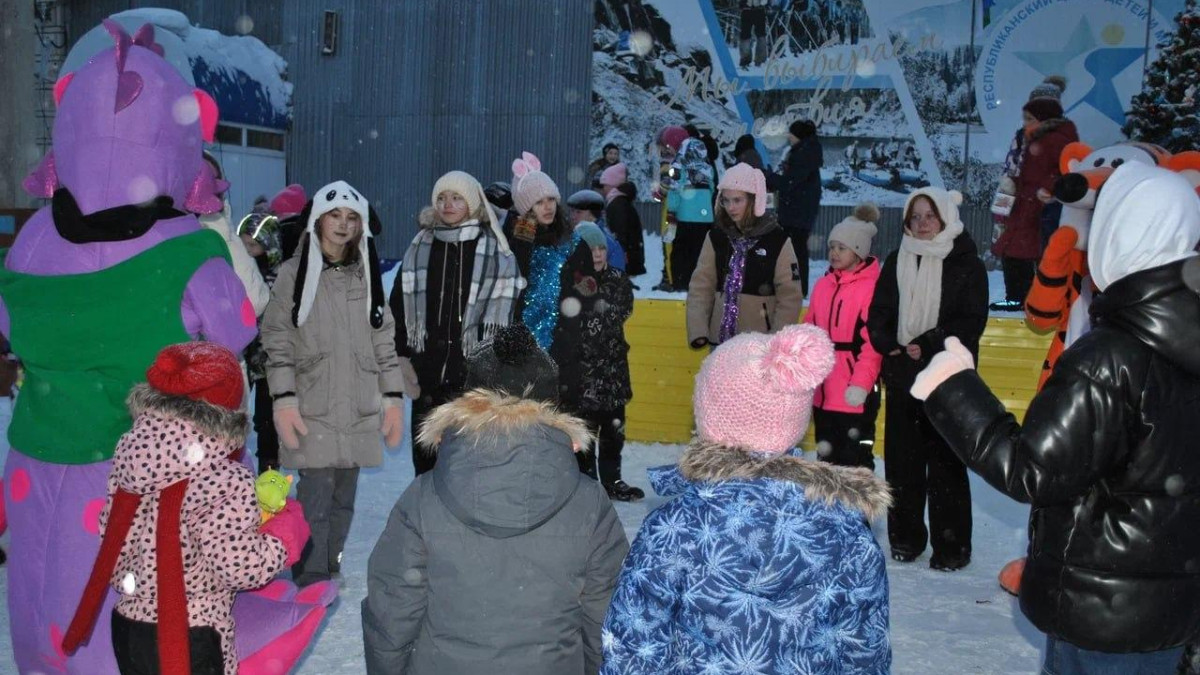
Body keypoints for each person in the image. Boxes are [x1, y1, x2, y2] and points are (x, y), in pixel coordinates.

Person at [911, 161, 1200, 674]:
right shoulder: (1182, 337)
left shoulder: (1110, 356)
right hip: (1172, 607)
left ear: (1118, 234)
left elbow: (1034, 471)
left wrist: (955, 389)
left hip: (1104, 609)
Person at [600, 324, 892, 674]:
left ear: (710, 418)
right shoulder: (847, 530)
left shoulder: (674, 528)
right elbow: (865, 654)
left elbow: (633, 651)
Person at [361, 324, 629, 675]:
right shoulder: (590, 504)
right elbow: (607, 622)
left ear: (468, 405)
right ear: (552, 410)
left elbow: (391, 615)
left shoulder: (422, 498)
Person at [62, 342, 311, 675]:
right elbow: (241, 567)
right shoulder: (223, 478)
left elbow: (114, 538)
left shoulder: (132, 457)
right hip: (191, 635)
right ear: (228, 413)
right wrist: (284, 534)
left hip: (129, 626)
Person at [262, 180, 407, 586]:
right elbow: (277, 339)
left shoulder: (367, 275)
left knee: (344, 498)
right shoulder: (294, 273)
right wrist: (284, 397)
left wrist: (392, 397)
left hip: (358, 404)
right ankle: (310, 575)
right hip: (313, 401)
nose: (343, 225)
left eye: (352, 218)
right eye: (335, 216)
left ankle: (330, 565)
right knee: (315, 496)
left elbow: (383, 339)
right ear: (318, 220)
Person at [867, 187, 988, 570]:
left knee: (946, 463)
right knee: (902, 462)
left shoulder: (966, 263)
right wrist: (889, 343)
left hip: (948, 376)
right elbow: (879, 311)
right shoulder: (897, 258)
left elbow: (971, 320)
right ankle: (905, 539)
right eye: (915, 217)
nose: (921, 224)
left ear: (946, 217)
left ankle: (952, 549)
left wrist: (929, 343)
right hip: (903, 372)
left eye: (929, 216)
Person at [391, 171, 524, 476]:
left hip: (473, 375)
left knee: (467, 463)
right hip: (426, 373)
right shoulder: (420, 247)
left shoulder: (497, 251)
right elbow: (398, 306)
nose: (447, 204)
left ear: (473, 203)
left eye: (456, 198)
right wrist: (401, 355)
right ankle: (427, 505)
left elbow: (511, 314)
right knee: (426, 459)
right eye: (441, 198)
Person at [557, 223, 642, 501]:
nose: (596, 254)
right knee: (585, 431)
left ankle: (612, 479)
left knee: (614, 431)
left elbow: (618, 312)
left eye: (601, 248)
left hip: (613, 370)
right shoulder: (569, 280)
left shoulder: (617, 279)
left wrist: (592, 301)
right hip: (583, 372)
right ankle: (586, 482)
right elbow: (569, 318)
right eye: (591, 248)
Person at [687, 162, 803, 348]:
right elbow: (701, 286)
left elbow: (790, 296)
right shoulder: (716, 238)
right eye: (726, 200)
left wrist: (776, 341)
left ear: (753, 200)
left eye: (737, 200)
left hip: (759, 345)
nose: (731, 207)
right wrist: (698, 330)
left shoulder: (777, 240)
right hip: (719, 342)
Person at [804, 203, 883, 470]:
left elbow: (873, 345)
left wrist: (860, 385)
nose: (834, 253)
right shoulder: (822, 285)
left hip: (855, 392)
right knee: (826, 460)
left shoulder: (871, 289)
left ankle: (859, 500)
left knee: (855, 462)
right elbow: (809, 333)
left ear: (858, 251)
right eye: (832, 247)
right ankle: (827, 498)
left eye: (842, 247)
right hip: (824, 392)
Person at [991, 90, 1077, 311]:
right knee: (1013, 249)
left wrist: (1048, 188)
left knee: (1034, 253)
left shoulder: (1056, 140)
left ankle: (1035, 300)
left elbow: (1066, 169)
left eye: (1030, 118)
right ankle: (1018, 297)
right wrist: (1009, 186)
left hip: (1040, 206)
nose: (1025, 122)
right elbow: (1013, 166)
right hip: (1021, 201)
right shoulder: (1025, 137)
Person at [504, 151, 595, 357]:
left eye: (551, 199)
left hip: (565, 340)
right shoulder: (514, 244)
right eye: (538, 202)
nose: (547, 207)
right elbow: (513, 288)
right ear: (526, 209)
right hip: (523, 341)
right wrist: (523, 239)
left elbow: (590, 288)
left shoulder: (572, 242)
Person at [237, 211, 285, 473]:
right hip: (243, 352)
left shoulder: (282, 277)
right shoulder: (239, 272)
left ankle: (269, 472)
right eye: (243, 244)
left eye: (253, 245)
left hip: (271, 358)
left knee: (268, 419)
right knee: (236, 412)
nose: (247, 251)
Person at [199, 152, 271, 317]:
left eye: (213, 180)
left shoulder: (224, 232)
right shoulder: (217, 231)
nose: (205, 185)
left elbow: (256, 301)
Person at [767, 119, 823, 297]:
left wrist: (768, 177)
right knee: (795, 251)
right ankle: (797, 287)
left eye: (791, 134)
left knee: (795, 252)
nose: (788, 137)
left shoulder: (803, 154)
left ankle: (797, 288)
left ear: (799, 135)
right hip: (799, 211)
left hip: (796, 213)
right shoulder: (806, 152)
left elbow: (789, 183)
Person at [666, 137, 716, 291]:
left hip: (685, 215)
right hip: (705, 217)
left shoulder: (679, 167)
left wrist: (672, 209)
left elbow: (674, 190)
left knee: (681, 252)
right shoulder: (708, 168)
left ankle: (681, 283)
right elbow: (712, 189)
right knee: (700, 252)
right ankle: (699, 285)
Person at [652, 125, 690, 291]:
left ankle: (671, 279)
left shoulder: (669, 164)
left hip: (670, 212)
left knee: (669, 244)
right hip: (682, 211)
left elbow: (664, 188)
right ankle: (676, 277)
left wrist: (657, 192)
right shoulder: (687, 162)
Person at [599, 164, 646, 278]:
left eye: (605, 185)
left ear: (612, 185)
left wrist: (621, 254)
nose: (603, 189)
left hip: (625, 256)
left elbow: (620, 231)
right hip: (628, 254)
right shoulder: (619, 202)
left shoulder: (617, 204)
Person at [567, 188, 626, 272]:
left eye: (578, 212)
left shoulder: (608, 242)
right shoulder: (569, 237)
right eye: (572, 211)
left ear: (592, 215)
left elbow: (616, 274)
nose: (573, 216)